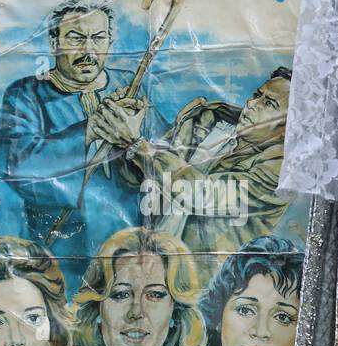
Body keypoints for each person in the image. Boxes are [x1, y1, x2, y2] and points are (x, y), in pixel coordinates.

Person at [0, 0, 147, 265]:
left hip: (131, 246)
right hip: (60, 248)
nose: (89, 51)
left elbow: (164, 151)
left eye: (98, 39)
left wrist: (137, 144)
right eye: (76, 38)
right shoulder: (26, 93)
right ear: (54, 43)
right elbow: (15, 165)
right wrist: (89, 131)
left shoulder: (129, 85)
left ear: (110, 43)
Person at [90, 67, 294, 254]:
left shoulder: (281, 169)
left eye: (268, 103)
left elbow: (203, 195)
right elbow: (140, 179)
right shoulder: (208, 121)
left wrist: (137, 144)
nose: (250, 104)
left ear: (288, 130)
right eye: (257, 95)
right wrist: (122, 130)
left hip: (201, 282)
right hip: (146, 258)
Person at [74, 226, 204, 346]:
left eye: (155, 295)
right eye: (121, 295)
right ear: (97, 309)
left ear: (176, 310)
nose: (136, 312)